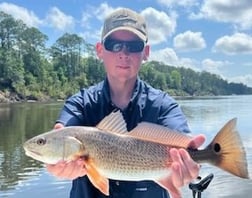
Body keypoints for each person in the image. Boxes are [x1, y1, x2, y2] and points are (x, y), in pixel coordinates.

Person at [47, 8, 205, 198]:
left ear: (146, 52)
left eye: (134, 45)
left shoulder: (164, 105)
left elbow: (185, 143)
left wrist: (192, 163)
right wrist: (57, 165)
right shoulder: (79, 103)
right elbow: (63, 134)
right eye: (114, 44)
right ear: (99, 50)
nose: (123, 53)